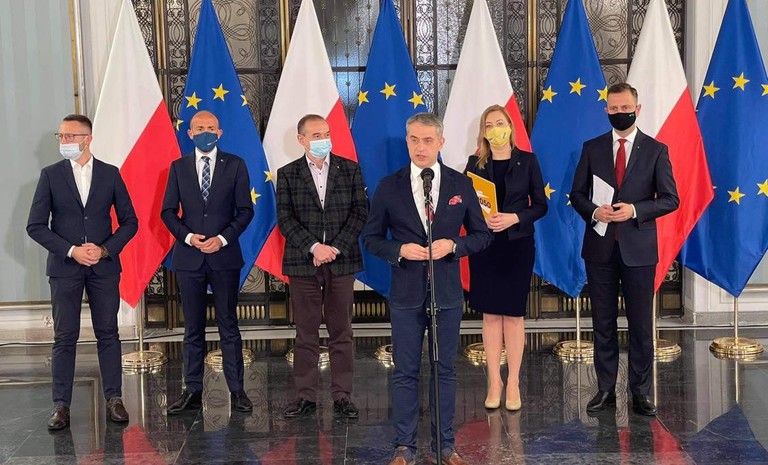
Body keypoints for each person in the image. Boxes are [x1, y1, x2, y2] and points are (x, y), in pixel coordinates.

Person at [363, 113, 491, 465]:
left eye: (428, 140)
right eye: (414, 140)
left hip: (446, 294)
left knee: (444, 369)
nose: (420, 147)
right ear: (407, 141)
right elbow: (371, 238)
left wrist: (454, 246)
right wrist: (399, 250)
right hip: (406, 293)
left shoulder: (460, 184)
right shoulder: (389, 186)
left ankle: (445, 445)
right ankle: (404, 446)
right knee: (405, 370)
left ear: (441, 143)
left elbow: (482, 235)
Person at [570, 83, 679, 416]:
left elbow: (670, 199)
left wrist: (634, 210)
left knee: (640, 325)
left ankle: (640, 392)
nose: (620, 113)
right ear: (606, 110)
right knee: (602, 322)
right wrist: (594, 212)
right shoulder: (591, 148)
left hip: (639, 250)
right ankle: (605, 389)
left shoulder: (656, 150)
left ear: (637, 109)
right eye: (614, 109)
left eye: (625, 108)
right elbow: (577, 194)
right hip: (600, 249)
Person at [27, 114, 138, 430]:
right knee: (65, 336)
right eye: (60, 136)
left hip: (104, 267)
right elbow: (35, 225)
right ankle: (61, 405)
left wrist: (104, 249)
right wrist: (71, 250)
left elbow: (130, 221)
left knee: (108, 332)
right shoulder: (50, 175)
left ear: (87, 139)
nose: (63, 141)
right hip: (65, 268)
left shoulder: (110, 174)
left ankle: (114, 398)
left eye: (69, 136)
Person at [161, 110, 255, 415]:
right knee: (193, 328)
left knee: (229, 324)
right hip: (189, 258)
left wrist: (222, 239)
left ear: (220, 132)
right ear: (189, 134)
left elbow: (245, 210)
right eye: (199, 128)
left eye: (211, 128)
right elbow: (167, 212)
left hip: (224, 256)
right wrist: (189, 237)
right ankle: (192, 390)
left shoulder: (235, 165)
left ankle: (237, 390)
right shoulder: (178, 167)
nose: (205, 132)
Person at [276, 114, 368, 419]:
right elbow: (285, 218)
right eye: (316, 135)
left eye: (326, 134)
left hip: (342, 260)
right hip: (303, 262)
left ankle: (342, 395)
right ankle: (305, 396)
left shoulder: (350, 169)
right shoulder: (287, 174)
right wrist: (314, 247)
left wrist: (334, 248)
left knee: (342, 331)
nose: (323, 140)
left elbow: (359, 212)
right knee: (306, 332)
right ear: (301, 139)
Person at [464, 104, 548, 411]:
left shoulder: (528, 161)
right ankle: (494, 381)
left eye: (499, 123)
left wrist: (515, 217)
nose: (495, 129)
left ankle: (512, 381)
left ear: (510, 127)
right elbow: (464, 203)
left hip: (517, 245)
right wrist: (479, 220)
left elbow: (540, 205)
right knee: (490, 315)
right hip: (485, 246)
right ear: (483, 132)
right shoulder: (474, 163)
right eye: (489, 125)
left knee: (513, 315)